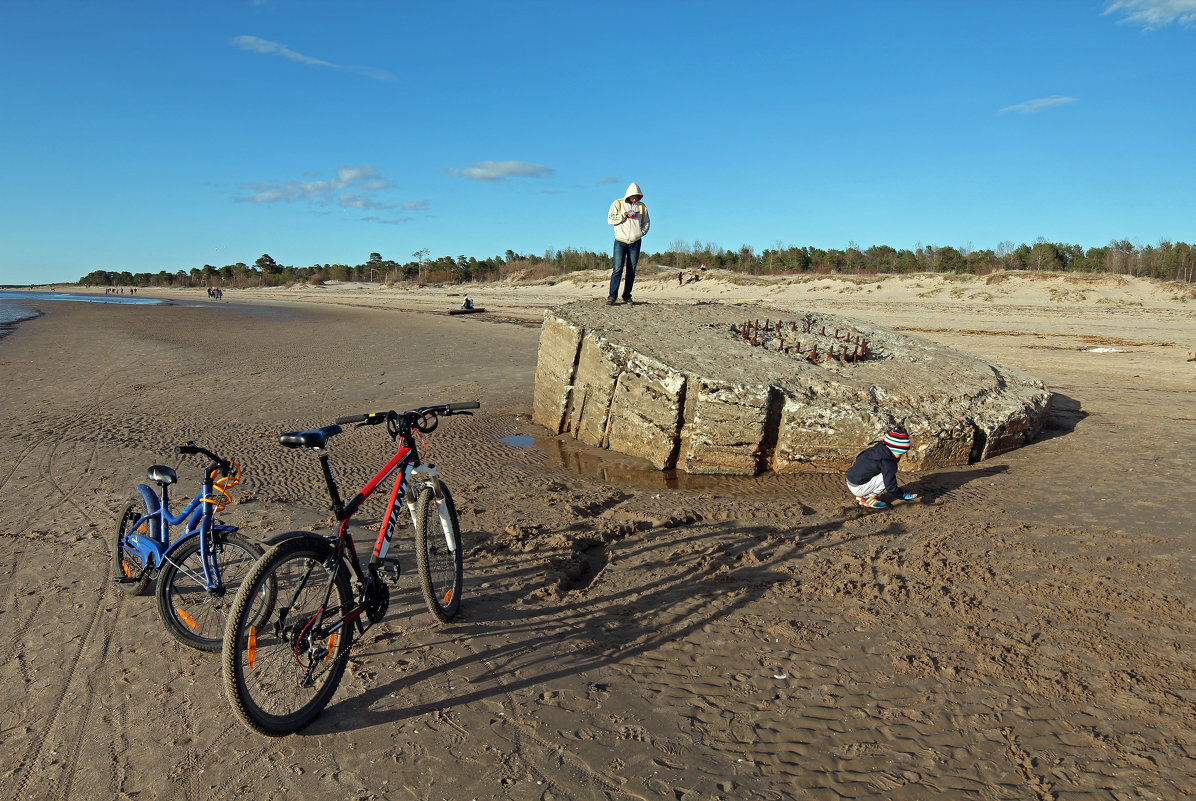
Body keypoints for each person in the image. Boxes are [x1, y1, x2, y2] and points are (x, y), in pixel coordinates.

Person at [846, 426, 921, 509]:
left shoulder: (877, 448)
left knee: (877, 471)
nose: (900, 456)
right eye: (900, 453)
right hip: (858, 488)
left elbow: (859, 458)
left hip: (850, 479)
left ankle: (861, 496)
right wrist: (902, 495)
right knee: (886, 476)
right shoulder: (888, 462)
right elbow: (890, 486)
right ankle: (869, 498)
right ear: (896, 450)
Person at [606, 182, 650, 305]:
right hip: (620, 241)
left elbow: (646, 223)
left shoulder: (642, 207)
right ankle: (612, 296)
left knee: (631, 270)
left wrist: (640, 233)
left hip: (635, 242)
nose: (635, 198)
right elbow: (610, 219)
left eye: (637, 196)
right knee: (617, 269)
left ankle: (626, 296)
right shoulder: (618, 203)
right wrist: (623, 216)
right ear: (628, 195)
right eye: (633, 196)